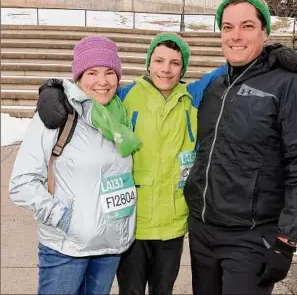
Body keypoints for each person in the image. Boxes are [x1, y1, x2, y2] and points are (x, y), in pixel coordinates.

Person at [33, 32, 227, 294]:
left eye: (175, 63)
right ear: (149, 63)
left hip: (172, 223)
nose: (166, 69)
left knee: (163, 291)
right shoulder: (125, 96)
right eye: (159, 61)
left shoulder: (192, 96)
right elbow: (87, 93)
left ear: (183, 68)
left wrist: (270, 53)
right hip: (132, 223)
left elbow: (229, 68)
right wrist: (52, 91)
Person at [183, 0, 297, 295]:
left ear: (264, 31)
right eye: (228, 27)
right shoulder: (215, 86)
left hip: (251, 238)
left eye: (246, 25)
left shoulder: (288, 85)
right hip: (203, 232)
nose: (235, 36)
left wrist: (286, 241)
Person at [9, 36, 141, 295]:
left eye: (110, 72)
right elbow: (21, 184)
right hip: (67, 248)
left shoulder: (119, 116)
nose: (102, 81)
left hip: (108, 247)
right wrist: (65, 219)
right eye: (92, 72)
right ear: (79, 76)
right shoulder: (59, 114)